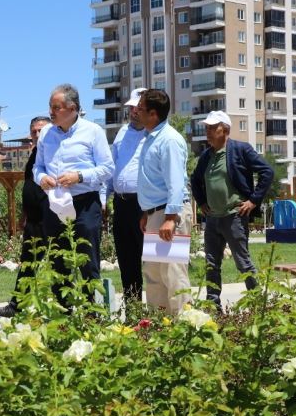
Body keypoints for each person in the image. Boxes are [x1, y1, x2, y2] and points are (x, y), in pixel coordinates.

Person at [33, 84, 113, 305]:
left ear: (73, 108)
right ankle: (63, 316)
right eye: (50, 107)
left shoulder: (93, 131)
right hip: (55, 204)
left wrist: (80, 176)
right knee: (58, 262)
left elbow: (108, 168)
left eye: (56, 107)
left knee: (88, 261)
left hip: (85, 205)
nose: (51, 112)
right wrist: (41, 178)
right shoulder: (46, 133)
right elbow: (37, 167)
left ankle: (91, 317)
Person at [190, 111, 274, 310]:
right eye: (207, 128)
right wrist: (201, 201)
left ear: (225, 130)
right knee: (211, 264)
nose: (208, 132)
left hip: (234, 217)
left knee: (243, 262)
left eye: (212, 128)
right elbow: (194, 179)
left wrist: (253, 200)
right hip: (212, 219)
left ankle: (257, 304)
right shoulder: (206, 155)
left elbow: (267, 172)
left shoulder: (240, 150)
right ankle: (213, 306)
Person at [136, 89, 193, 314]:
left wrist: (170, 218)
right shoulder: (151, 139)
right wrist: (146, 213)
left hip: (170, 215)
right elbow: (154, 181)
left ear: (153, 114)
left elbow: (176, 183)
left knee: (174, 274)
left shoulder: (168, 140)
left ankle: (185, 329)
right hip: (155, 214)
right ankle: (160, 328)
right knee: (155, 275)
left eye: (140, 108)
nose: (136, 112)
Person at [0, 116, 51, 317]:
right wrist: (23, 214)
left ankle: (62, 305)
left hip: (51, 218)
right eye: (34, 131)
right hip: (33, 218)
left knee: (58, 263)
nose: (37, 135)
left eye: (41, 131)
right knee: (28, 262)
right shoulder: (35, 153)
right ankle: (17, 305)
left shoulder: (54, 152)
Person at [108, 87, 147, 302]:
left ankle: (160, 316)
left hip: (146, 205)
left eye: (138, 108)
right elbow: (112, 166)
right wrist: (105, 197)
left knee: (154, 263)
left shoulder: (157, 134)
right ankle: (133, 312)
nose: (133, 112)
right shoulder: (122, 133)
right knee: (127, 261)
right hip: (122, 205)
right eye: (131, 107)